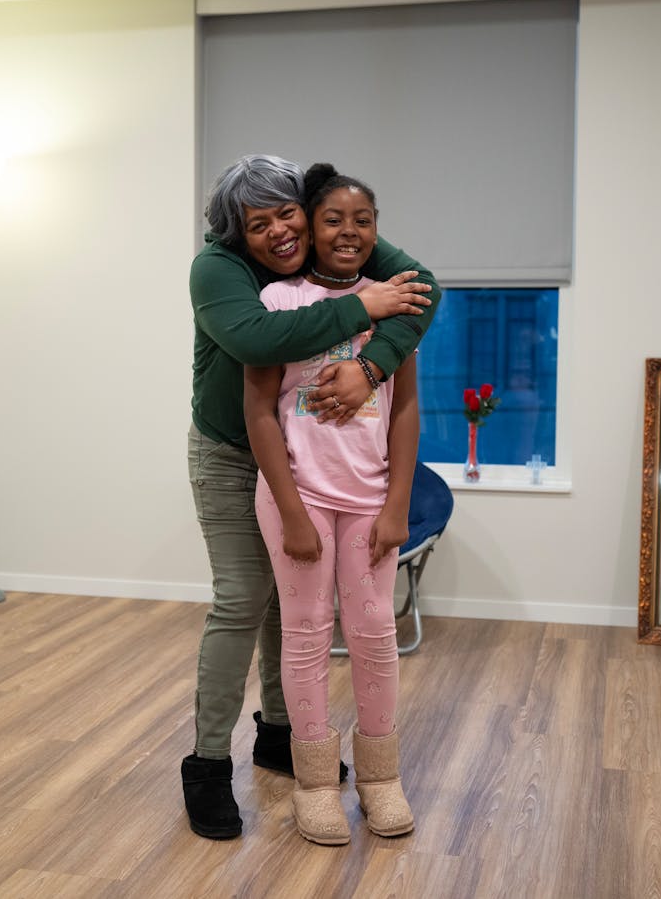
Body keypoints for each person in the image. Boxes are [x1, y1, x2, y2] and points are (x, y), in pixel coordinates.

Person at [185, 154, 440, 839]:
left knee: (335, 625)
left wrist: (369, 362)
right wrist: (367, 308)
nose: (279, 230)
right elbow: (257, 344)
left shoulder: (350, 250)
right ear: (237, 231)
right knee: (247, 601)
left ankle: (290, 742)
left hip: (350, 484)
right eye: (257, 222)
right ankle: (211, 765)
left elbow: (422, 297)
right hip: (238, 456)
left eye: (287, 212)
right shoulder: (231, 274)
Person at [243, 163, 417, 845]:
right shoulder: (280, 300)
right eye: (333, 219)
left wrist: (397, 502)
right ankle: (316, 782)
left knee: (375, 636)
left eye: (363, 220)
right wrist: (289, 510)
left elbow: (405, 410)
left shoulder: (395, 298)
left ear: (376, 231)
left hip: (372, 499)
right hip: (300, 496)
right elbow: (259, 410)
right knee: (307, 633)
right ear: (309, 229)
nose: (349, 231)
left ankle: (380, 776)